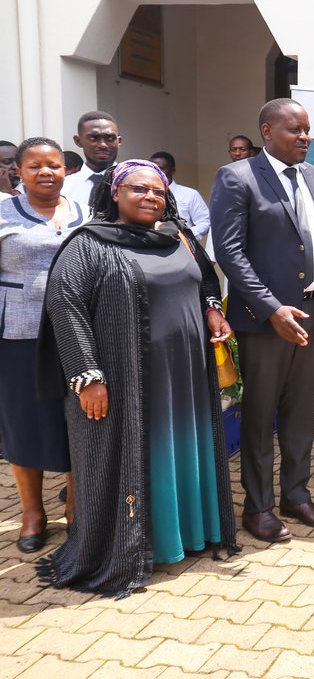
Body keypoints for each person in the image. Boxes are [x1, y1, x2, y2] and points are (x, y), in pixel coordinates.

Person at [37, 159, 238, 597]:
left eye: (158, 191)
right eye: (139, 190)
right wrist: (87, 376)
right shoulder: (88, 243)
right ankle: (136, 549)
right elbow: (65, 308)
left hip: (185, 373)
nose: (151, 197)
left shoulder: (178, 237)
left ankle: (190, 535)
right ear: (115, 193)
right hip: (124, 375)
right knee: (133, 455)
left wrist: (212, 309)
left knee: (187, 448)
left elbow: (206, 279)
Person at [210, 98, 314, 543]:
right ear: (266, 131)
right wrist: (271, 307)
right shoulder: (236, 177)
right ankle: (258, 507)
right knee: (261, 417)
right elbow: (230, 252)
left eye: (307, 130)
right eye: (294, 130)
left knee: (302, 414)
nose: (304, 137)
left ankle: (296, 495)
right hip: (265, 321)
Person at [1, 138, 82, 552]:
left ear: (65, 168)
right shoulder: (2, 212)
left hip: (77, 335)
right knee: (23, 421)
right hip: (19, 334)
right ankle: (33, 512)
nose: (46, 172)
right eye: (35, 166)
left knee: (76, 419)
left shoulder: (84, 212)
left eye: (53, 165)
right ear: (18, 170)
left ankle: (76, 507)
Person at [62, 111, 121, 212]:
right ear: (78, 141)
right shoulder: (63, 187)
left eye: (110, 138)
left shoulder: (134, 185)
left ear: (118, 141)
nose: (103, 145)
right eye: (94, 138)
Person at [149, 151, 211, 242]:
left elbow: (205, 222)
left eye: (160, 168)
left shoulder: (190, 194)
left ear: (173, 170)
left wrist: (184, 235)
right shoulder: (145, 195)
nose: (156, 172)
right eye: (152, 168)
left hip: (182, 248)